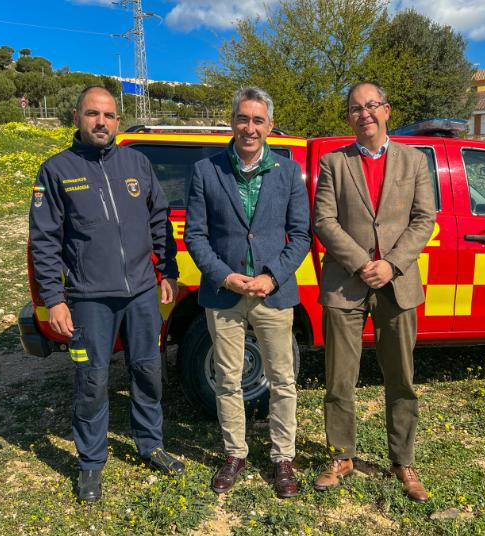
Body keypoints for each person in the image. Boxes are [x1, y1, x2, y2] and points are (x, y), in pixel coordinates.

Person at [29, 86, 183, 503]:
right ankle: (91, 463)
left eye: (110, 115)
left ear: (118, 120)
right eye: (93, 114)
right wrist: (54, 299)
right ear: (77, 117)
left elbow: (159, 219)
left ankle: (151, 446)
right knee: (93, 380)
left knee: (148, 371)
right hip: (88, 298)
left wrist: (166, 269)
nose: (102, 122)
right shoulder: (57, 170)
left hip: (141, 294)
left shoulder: (136, 163)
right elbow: (43, 241)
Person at [184, 87, 311, 498]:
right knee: (228, 379)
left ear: (269, 125)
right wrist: (225, 276)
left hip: (273, 293)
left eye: (258, 120)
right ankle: (235, 453)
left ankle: (282, 457)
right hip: (224, 295)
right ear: (232, 121)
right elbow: (196, 235)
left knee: (283, 380)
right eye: (243, 119)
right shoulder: (207, 170)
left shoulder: (289, 172)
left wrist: (273, 276)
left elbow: (301, 235)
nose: (250, 128)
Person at [312, 82, 436, 502]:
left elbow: (424, 219)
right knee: (339, 377)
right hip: (346, 283)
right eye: (355, 108)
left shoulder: (415, 160)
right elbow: (324, 220)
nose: (364, 113)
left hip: (397, 285)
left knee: (401, 378)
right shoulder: (333, 163)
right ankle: (340, 456)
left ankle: (403, 460)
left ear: (387, 110)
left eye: (371, 106)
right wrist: (362, 263)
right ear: (348, 117)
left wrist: (391, 263)